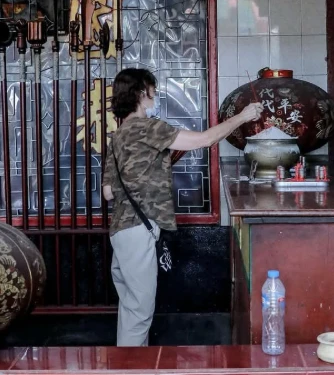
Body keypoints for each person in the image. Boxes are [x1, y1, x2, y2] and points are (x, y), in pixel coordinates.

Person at [102, 68, 263, 347]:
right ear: (142, 93)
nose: (155, 95)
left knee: (130, 310)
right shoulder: (148, 127)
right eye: (152, 89)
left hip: (119, 231)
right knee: (140, 312)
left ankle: (124, 364)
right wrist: (243, 116)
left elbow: (107, 193)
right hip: (139, 231)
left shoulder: (118, 137)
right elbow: (204, 140)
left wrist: (148, 170)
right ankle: (132, 369)